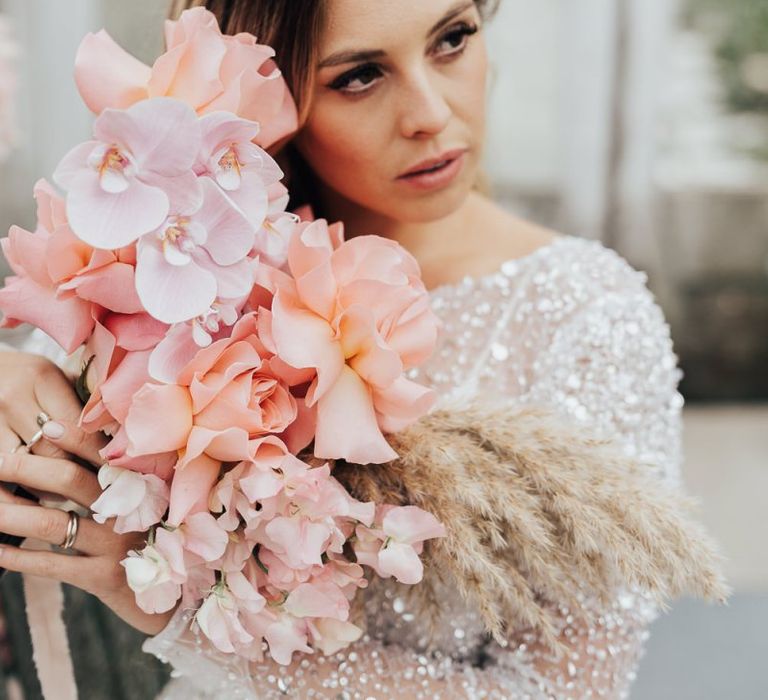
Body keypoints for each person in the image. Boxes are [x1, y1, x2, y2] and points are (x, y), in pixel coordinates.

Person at [0, 0, 690, 697]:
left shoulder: (587, 315)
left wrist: (180, 613)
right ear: (264, 92)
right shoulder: (184, 278)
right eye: (359, 76)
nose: (430, 113)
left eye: (453, 39)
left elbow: (565, 690)